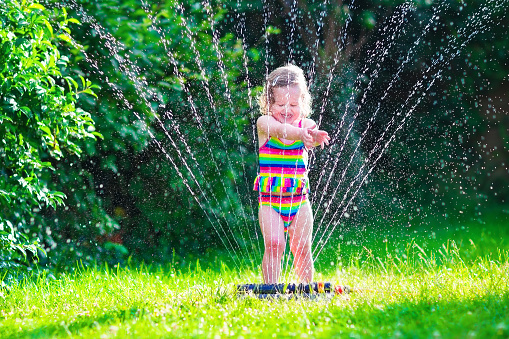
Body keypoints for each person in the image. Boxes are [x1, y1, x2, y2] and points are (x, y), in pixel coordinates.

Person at [253, 64, 330, 283]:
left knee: (302, 248)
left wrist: (314, 137)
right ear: (269, 103)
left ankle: (306, 291)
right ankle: (270, 290)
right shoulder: (265, 124)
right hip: (270, 202)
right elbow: (283, 131)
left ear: (303, 103)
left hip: (299, 200)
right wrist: (301, 134)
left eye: (294, 104)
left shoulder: (307, 124)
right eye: (280, 104)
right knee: (275, 244)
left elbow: (311, 136)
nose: (287, 109)